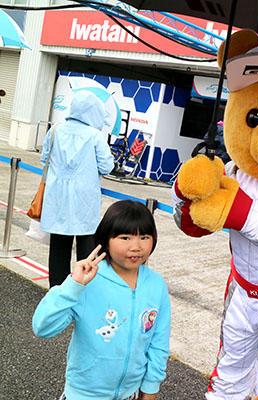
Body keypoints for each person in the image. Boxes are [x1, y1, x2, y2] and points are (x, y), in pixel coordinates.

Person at [32, 200, 171, 400]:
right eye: (125, 237)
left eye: (144, 237)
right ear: (106, 239)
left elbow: (159, 342)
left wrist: (151, 387)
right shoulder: (88, 282)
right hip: (83, 394)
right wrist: (73, 285)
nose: (136, 246)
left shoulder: (156, 285)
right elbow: (43, 327)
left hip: (130, 394)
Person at [40, 90, 114, 287]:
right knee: (87, 251)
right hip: (84, 202)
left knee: (58, 250)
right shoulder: (95, 136)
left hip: (57, 199)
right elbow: (107, 167)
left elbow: (43, 159)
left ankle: (57, 294)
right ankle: (84, 294)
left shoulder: (55, 129)